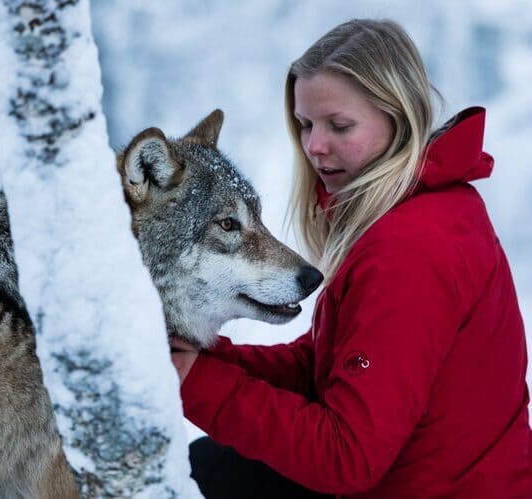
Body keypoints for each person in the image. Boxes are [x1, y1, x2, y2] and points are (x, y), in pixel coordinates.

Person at [170, 18, 532, 498]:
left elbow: (347, 458)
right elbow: (331, 370)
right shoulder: (426, 207)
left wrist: (199, 383)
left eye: (339, 125)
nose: (314, 146)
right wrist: (209, 361)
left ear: (397, 117)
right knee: (206, 469)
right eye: (304, 124)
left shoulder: (412, 249)